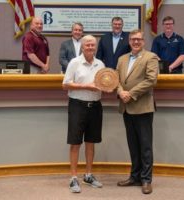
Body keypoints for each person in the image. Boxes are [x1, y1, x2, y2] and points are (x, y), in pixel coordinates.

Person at [116, 29, 159, 194]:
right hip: (126, 108)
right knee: (133, 145)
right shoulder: (122, 59)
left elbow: (151, 80)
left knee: (145, 146)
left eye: (139, 39)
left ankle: (146, 180)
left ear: (143, 41)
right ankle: (134, 177)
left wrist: (131, 94)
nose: (135, 42)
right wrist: (120, 92)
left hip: (142, 107)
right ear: (129, 41)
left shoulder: (151, 57)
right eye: (133, 39)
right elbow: (116, 79)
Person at [62, 35, 105, 193]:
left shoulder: (101, 64)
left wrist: (108, 85)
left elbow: (104, 83)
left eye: (93, 45)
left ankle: (88, 175)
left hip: (95, 107)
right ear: (82, 46)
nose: (90, 47)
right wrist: (87, 86)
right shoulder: (74, 62)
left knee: (91, 142)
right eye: (87, 44)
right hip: (77, 106)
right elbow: (65, 85)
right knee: (75, 143)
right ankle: (73, 178)